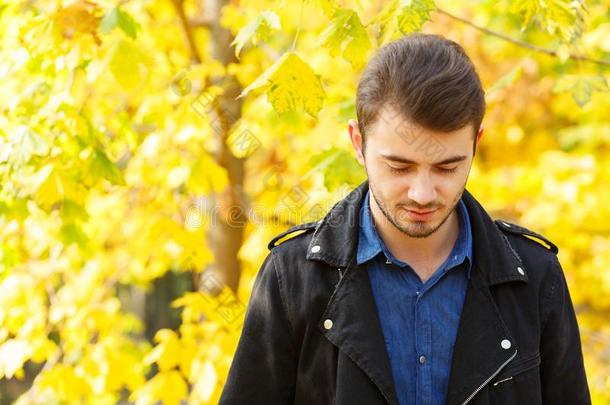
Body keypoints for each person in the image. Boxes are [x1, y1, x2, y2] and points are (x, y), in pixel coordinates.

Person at [219, 33, 591, 405]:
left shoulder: (536, 277)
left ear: (476, 143)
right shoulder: (293, 278)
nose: (423, 193)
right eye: (400, 167)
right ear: (358, 143)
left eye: (447, 167)